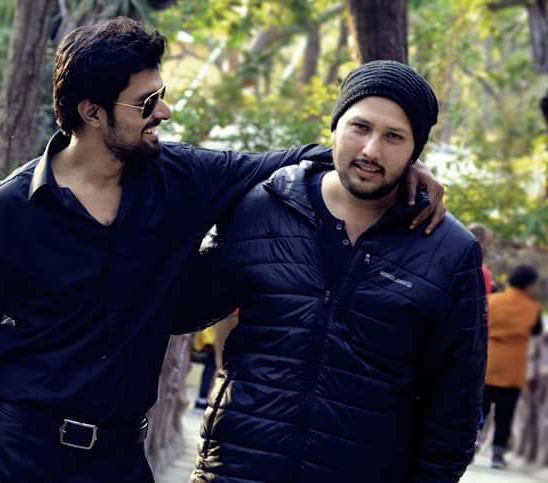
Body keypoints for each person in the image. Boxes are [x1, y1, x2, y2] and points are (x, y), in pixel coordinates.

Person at [0, 18, 446, 483]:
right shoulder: (6, 211)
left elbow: (289, 160)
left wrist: (395, 165)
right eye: (145, 103)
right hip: (19, 452)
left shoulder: (182, 179)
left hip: (121, 458)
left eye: (161, 94)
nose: (164, 111)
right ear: (92, 112)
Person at [176, 60, 487, 483]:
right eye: (360, 127)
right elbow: (182, 308)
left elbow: (455, 407)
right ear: (335, 126)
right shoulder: (261, 207)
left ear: (416, 150)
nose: (371, 150)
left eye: (394, 136)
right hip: (235, 470)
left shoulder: (449, 250)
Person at [481, 265, 543, 469]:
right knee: (505, 414)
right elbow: (536, 331)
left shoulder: (493, 300)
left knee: (479, 408)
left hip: (489, 363)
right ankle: (497, 455)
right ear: (528, 285)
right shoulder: (532, 308)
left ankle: (472, 441)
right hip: (513, 368)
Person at [469, 223, 494, 295]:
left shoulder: (454, 262)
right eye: (488, 244)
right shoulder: (481, 271)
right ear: (478, 241)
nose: (489, 248)